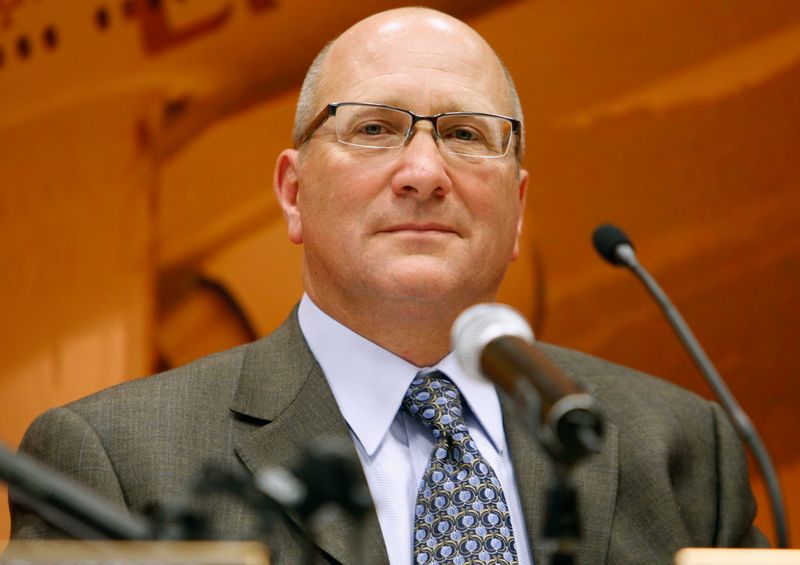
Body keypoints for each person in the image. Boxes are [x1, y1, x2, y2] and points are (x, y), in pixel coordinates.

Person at [10, 7, 766, 564]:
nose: (424, 174)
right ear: (292, 191)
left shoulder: (678, 449)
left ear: (518, 211)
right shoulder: (114, 461)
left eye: (467, 135)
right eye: (373, 130)